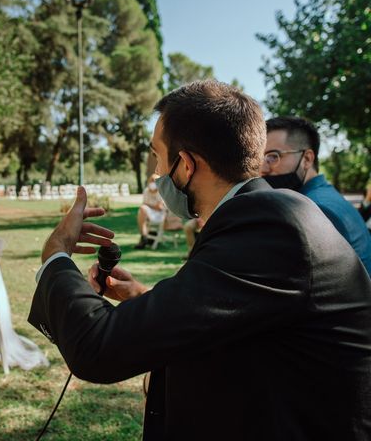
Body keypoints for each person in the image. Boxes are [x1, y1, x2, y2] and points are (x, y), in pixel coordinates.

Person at [28, 80, 371, 440]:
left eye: (159, 157)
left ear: (187, 165)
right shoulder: (261, 213)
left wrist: (56, 252)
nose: (156, 174)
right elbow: (238, 315)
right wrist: (144, 300)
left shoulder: (269, 227)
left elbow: (98, 347)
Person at [261, 116, 371, 274]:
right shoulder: (325, 195)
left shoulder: (314, 209)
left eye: (273, 156)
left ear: (306, 159)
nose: (263, 169)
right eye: (261, 158)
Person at [134, 177, 166, 249]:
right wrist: (151, 206)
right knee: (142, 210)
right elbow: (144, 204)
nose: (153, 183)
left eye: (155, 181)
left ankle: (143, 237)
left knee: (142, 211)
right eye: (151, 180)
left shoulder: (161, 191)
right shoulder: (146, 191)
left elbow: (159, 207)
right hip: (148, 213)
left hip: (159, 215)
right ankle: (144, 237)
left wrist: (148, 205)